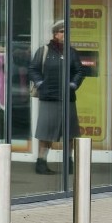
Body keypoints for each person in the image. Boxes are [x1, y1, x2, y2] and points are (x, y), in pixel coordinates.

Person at [28, 20, 86, 175]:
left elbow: (79, 71)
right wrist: (41, 84)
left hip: (68, 98)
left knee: (70, 133)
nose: (64, 35)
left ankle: (68, 162)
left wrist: (73, 85)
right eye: (62, 32)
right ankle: (41, 163)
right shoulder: (44, 51)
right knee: (45, 132)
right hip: (48, 98)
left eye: (66, 32)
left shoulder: (71, 52)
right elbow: (33, 69)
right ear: (55, 34)